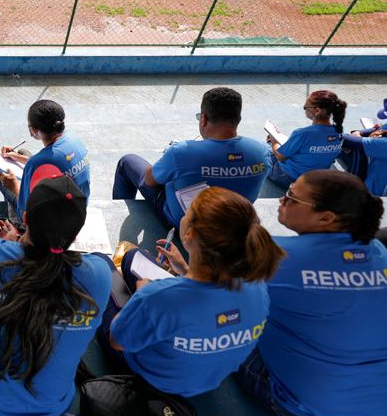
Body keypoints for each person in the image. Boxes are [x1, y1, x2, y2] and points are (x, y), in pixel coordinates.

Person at [237, 170, 387, 416]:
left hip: (308, 413)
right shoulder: (379, 252)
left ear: (326, 217)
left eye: (291, 198)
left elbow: (212, 304)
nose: (282, 200)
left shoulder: (273, 255)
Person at [0, 175, 111, 416]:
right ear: (77, 232)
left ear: (25, 219)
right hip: (50, 406)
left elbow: (27, 269)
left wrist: (13, 243)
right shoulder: (99, 276)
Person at [98, 187, 284, 398]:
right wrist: (185, 270)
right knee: (133, 256)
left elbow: (118, 342)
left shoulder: (157, 297)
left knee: (101, 265)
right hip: (206, 378)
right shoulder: (257, 287)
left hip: (150, 378)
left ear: (189, 234)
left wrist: (140, 296)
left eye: (188, 213)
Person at [112, 86, 271, 227]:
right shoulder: (262, 153)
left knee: (127, 162)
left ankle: (116, 213)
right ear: (238, 119)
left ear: (204, 119)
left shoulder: (182, 152)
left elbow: (149, 180)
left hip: (184, 225)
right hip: (233, 225)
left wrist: (170, 157)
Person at [0, 99, 90, 220]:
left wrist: (13, 185)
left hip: (52, 225)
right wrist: (17, 157)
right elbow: (53, 162)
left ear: (34, 130)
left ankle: (15, 220)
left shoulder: (36, 163)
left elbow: (27, 208)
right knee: (23, 153)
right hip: (79, 210)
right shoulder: (74, 139)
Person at [266, 90, 346, 189]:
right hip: (315, 179)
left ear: (317, 111)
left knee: (262, 149)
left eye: (305, 107)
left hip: (289, 178)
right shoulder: (339, 132)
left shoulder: (303, 134)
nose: (304, 109)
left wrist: (273, 140)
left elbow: (280, 157)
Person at [339, 123, 387, 196]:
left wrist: (357, 134)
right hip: (371, 168)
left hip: (375, 193)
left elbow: (348, 141)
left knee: (356, 151)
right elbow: (378, 128)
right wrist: (359, 132)